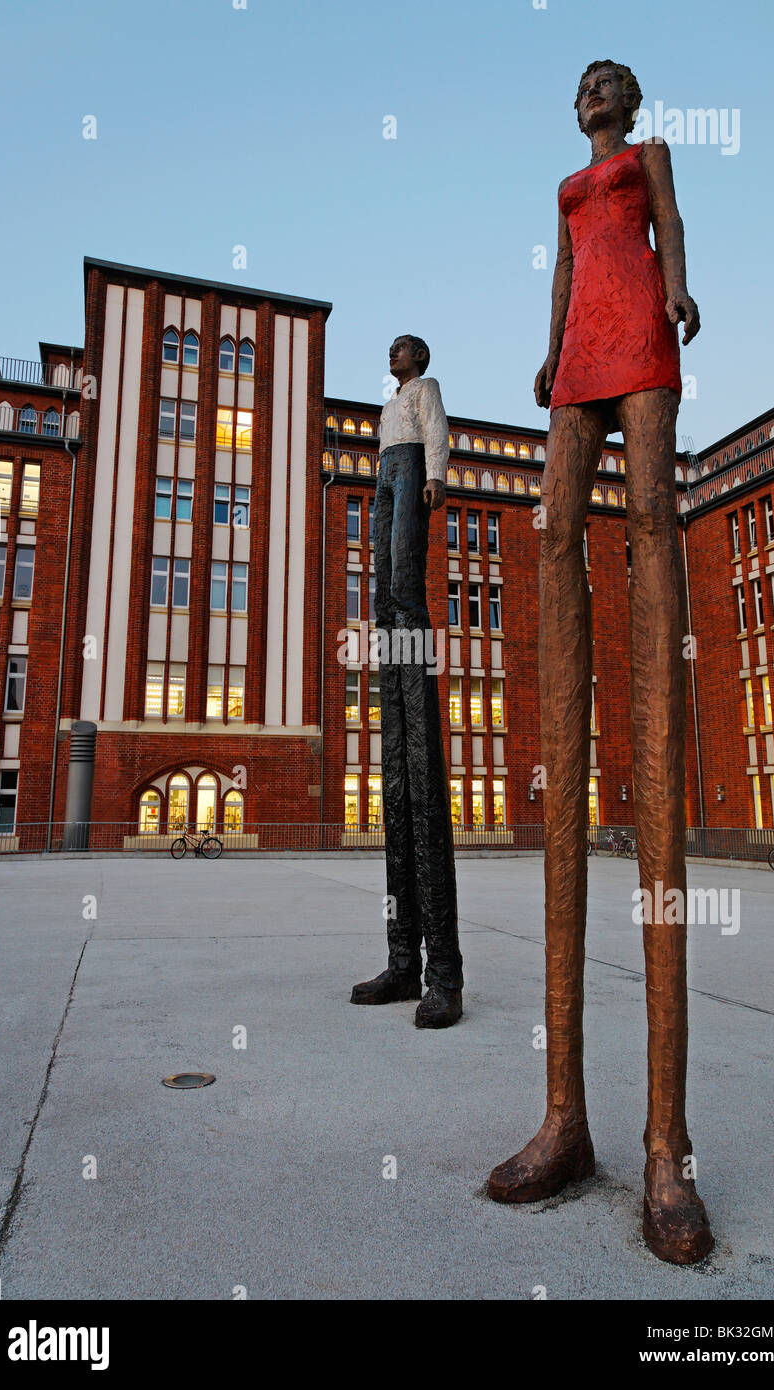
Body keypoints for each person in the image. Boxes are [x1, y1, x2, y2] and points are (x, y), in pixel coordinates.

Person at [486, 61, 714, 1264]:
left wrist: (678, 294)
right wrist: (543, 352)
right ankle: (563, 1116)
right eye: (576, 87)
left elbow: (660, 226)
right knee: (552, 527)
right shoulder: (565, 187)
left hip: (642, 332)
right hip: (578, 349)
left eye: (599, 85)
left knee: (652, 521)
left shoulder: (649, 158)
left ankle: (665, 1144)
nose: (586, 98)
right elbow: (568, 269)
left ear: (624, 102)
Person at [350, 335, 464, 1028]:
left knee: (403, 570)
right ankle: (402, 963)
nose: (392, 355)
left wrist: (437, 479)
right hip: (387, 473)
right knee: (382, 579)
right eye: (389, 348)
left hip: (413, 469)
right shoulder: (387, 404)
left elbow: (438, 438)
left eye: (402, 348)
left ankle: (442, 974)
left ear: (419, 358)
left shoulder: (425, 394)